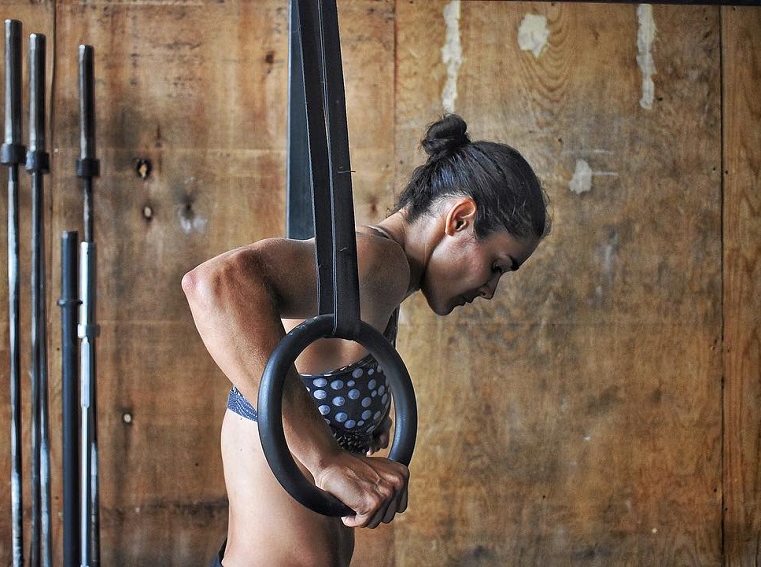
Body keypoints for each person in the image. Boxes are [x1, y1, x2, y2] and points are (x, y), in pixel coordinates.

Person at [182, 114, 551, 567]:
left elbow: (309, 383)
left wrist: (357, 426)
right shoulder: (376, 261)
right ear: (461, 219)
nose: (491, 290)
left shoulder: (386, 281)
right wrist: (325, 458)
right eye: (497, 265)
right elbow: (216, 283)